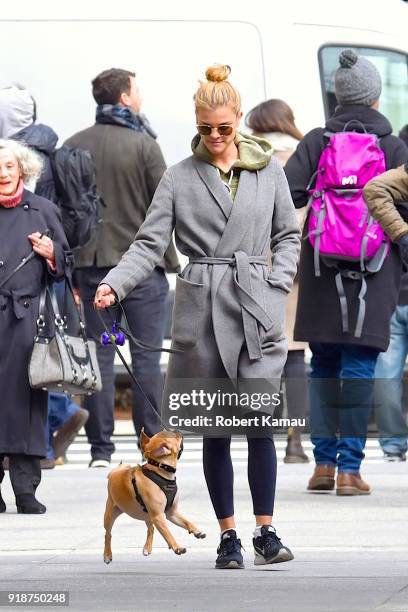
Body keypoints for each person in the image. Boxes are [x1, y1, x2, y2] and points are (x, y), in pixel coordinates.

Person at [95, 64, 300, 569]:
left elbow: (288, 235)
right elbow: (149, 243)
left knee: (258, 427)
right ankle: (229, 536)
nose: (213, 137)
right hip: (201, 312)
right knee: (214, 429)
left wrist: (275, 286)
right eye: (205, 128)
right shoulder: (178, 176)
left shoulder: (268, 169)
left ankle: (266, 532)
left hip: (255, 310)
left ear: (239, 121)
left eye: (224, 128)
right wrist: (113, 283)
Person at [285, 49, 408, 495]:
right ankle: (350, 470)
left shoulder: (316, 142)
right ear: (375, 98)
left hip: (320, 270)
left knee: (323, 366)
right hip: (374, 273)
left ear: (337, 96)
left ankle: (322, 464)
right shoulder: (394, 148)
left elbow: (289, 194)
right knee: (359, 366)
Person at [65, 68, 180, 468]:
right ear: (126, 97)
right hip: (141, 268)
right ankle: (152, 445)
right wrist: (170, 259)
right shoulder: (145, 146)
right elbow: (164, 207)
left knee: (99, 356)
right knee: (146, 357)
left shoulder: (74, 145)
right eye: (138, 87)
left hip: (92, 267)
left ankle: (100, 449)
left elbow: (66, 211)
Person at [0, 83, 89, 470]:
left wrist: (52, 255)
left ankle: (30, 470)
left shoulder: (35, 182)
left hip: (28, 303)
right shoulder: (46, 148)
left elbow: (59, 248)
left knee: (27, 383)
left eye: (9, 167)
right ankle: (61, 416)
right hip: (18, 299)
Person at [0, 139, 70, 514]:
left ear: (22, 170)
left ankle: (26, 490)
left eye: (9, 166)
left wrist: (51, 254)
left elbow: (65, 263)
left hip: (26, 321)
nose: (3, 174)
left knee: (27, 406)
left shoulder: (43, 210)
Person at [246, 98, 309, 463]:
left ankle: (263, 430)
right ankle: (295, 441)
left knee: (261, 353)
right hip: (296, 266)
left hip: (255, 266)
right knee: (295, 354)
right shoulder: (304, 157)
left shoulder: (249, 157)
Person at [364, 163, 408, 461]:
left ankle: (393, 445)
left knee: (387, 373)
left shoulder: (396, 182)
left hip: (395, 290)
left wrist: (402, 235)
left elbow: (374, 188)